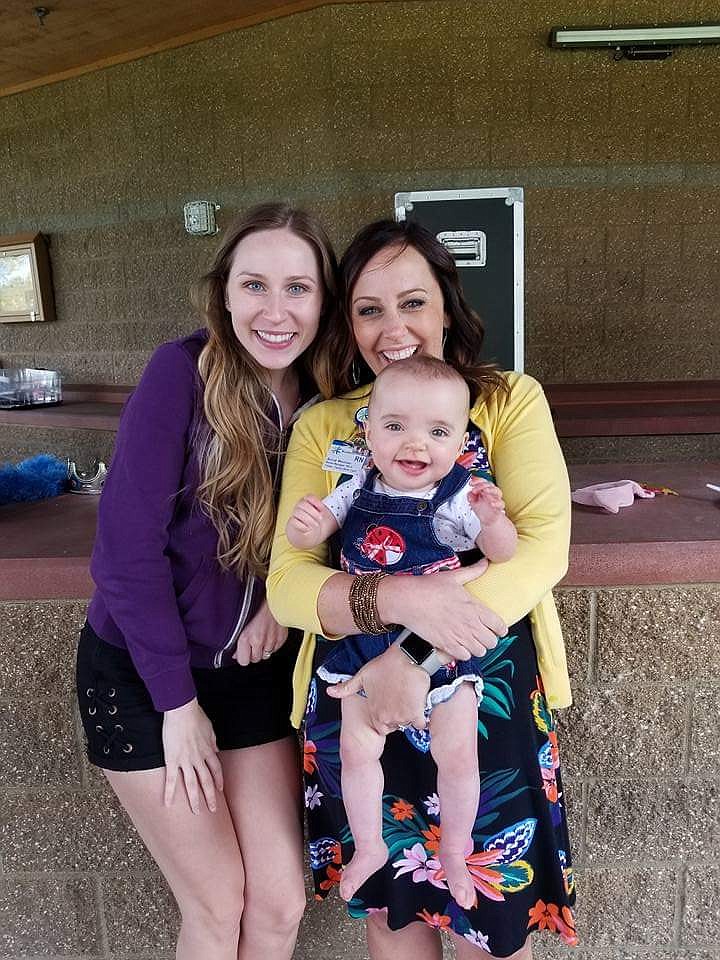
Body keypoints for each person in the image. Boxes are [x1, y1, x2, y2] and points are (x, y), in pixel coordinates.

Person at [268, 218, 577, 960]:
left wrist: (409, 657)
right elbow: (287, 583)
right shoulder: (328, 426)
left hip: (478, 686)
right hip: (353, 691)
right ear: (348, 323)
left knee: (489, 914)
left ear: (447, 307)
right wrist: (399, 602)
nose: (392, 327)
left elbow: (540, 553)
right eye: (369, 309)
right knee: (393, 910)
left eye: (412, 302)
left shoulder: (506, 401)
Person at [75, 202, 338, 960]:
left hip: (253, 675)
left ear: (323, 301)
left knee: (282, 901)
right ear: (223, 293)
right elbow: (125, 555)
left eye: (299, 288)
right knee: (219, 903)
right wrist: (177, 705)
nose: (276, 311)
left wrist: (288, 609)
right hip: (144, 674)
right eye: (255, 286)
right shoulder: (180, 374)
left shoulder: (334, 399)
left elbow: (360, 524)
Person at [286, 355, 517, 907]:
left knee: (458, 756)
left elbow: (504, 555)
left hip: (440, 646)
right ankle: (368, 845)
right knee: (356, 751)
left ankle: (456, 852)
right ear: (368, 430)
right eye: (396, 427)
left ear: (461, 439)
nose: (416, 445)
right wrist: (308, 524)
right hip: (361, 640)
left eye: (438, 432)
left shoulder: (460, 495)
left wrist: (492, 521)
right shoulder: (355, 483)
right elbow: (311, 539)